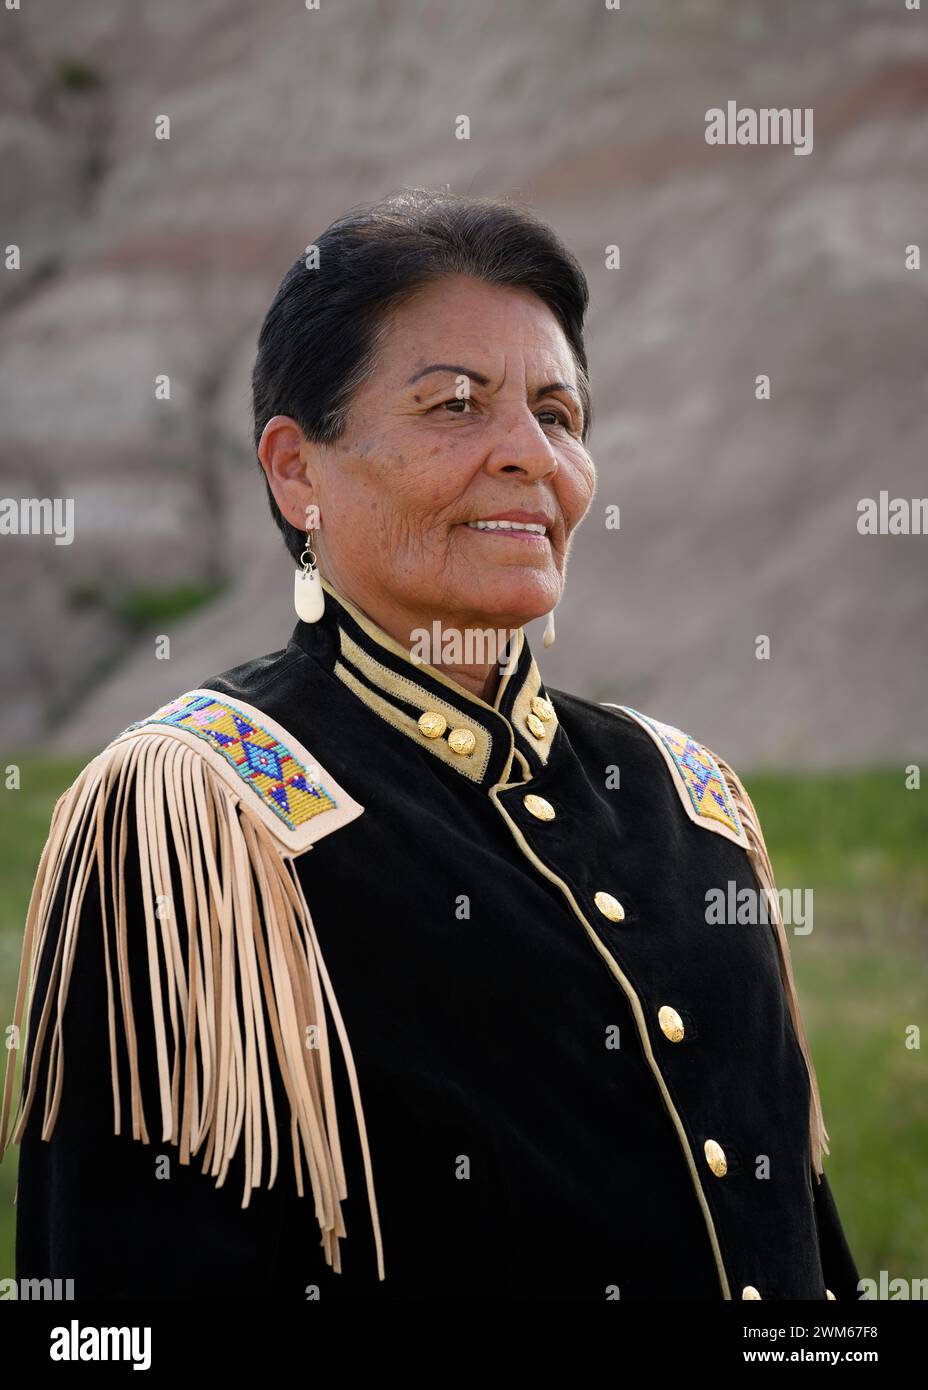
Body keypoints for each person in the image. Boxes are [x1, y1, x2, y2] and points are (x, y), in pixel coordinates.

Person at [1, 188, 860, 1300]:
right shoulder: (203, 817)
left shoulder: (690, 801)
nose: (527, 455)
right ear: (296, 469)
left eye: (558, 415)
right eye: (454, 405)